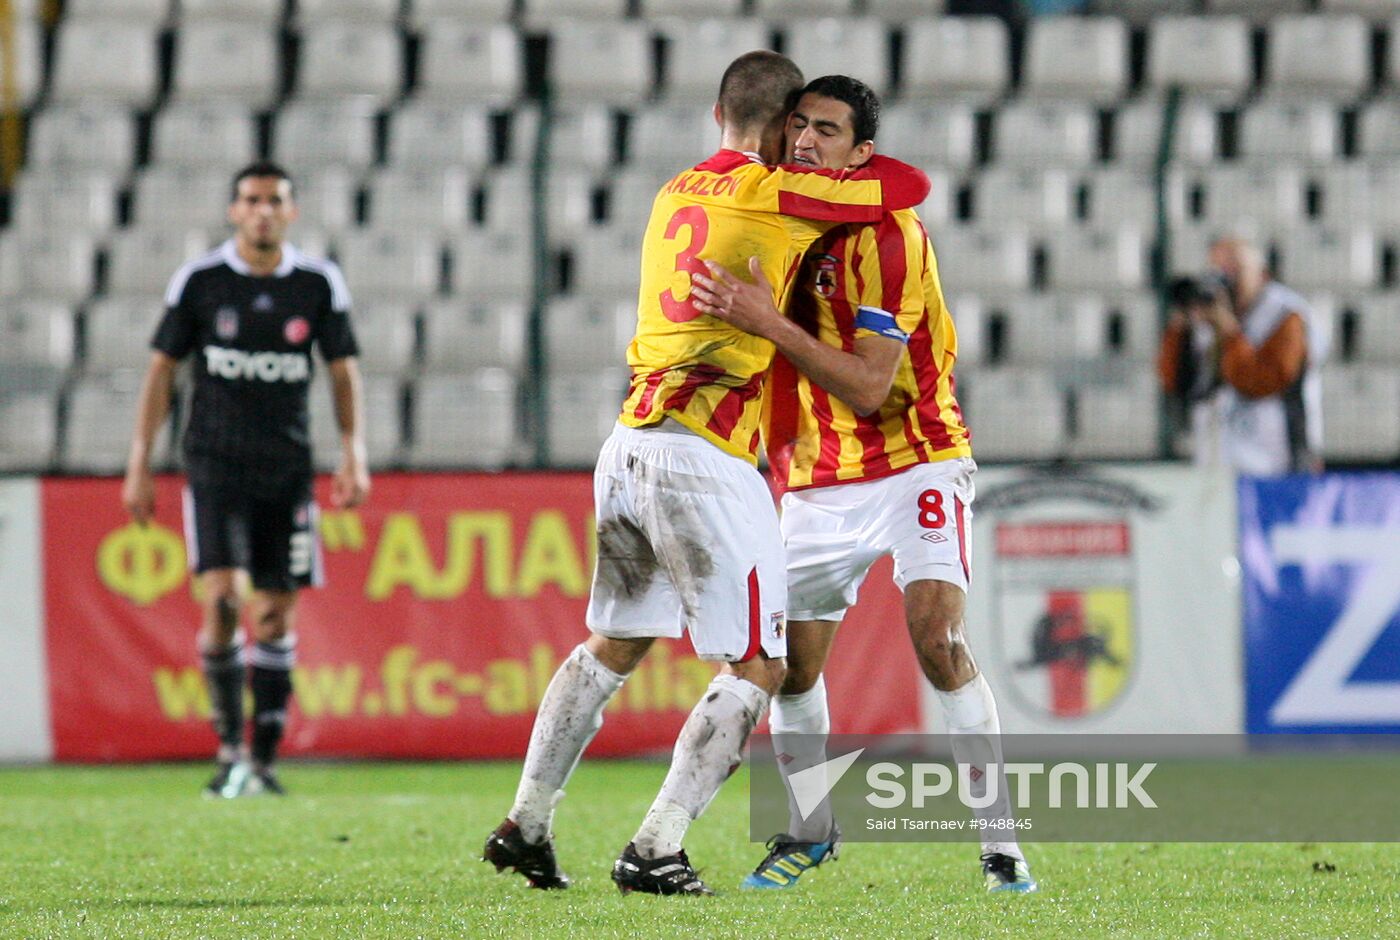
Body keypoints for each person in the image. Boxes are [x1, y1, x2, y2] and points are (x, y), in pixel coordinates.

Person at [482, 51, 930, 896]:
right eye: (798, 125)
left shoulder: (676, 188)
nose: (804, 140)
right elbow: (907, 186)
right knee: (762, 663)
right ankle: (656, 847)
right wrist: (842, 157)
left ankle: (527, 823)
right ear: (779, 124)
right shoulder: (778, 190)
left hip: (628, 446)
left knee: (612, 644)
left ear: (715, 113)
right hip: (703, 456)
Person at [689, 75, 1036, 893]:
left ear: (862, 153)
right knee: (792, 667)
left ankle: (1001, 847)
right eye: (800, 125)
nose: (807, 141)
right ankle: (810, 832)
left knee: (937, 640)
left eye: (829, 130)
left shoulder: (891, 238)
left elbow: (872, 388)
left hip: (917, 454)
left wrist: (764, 320)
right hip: (818, 473)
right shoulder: (779, 214)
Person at [122, 161, 370, 798]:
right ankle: (229, 751)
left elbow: (341, 372)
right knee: (225, 599)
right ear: (235, 211)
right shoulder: (201, 281)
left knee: (275, 617)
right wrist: (140, 461)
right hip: (214, 464)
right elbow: (162, 371)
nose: (263, 211)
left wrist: (353, 452)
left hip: (286, 471)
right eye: (251, 201)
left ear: (292, 212)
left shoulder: (318, 283)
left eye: (275, 201)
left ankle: (262, 759)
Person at [1157, 236, 1327, 476]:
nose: (1227, 278)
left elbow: (1260, 382)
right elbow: (1174, 380)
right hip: (1216, 459)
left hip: (1279, 461)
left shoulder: (1285, 314)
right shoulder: (1206, 319)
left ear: (1261, 273)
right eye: (1219, 270)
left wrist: (1229, 332)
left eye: (1235, 269)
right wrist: (1182, 326)